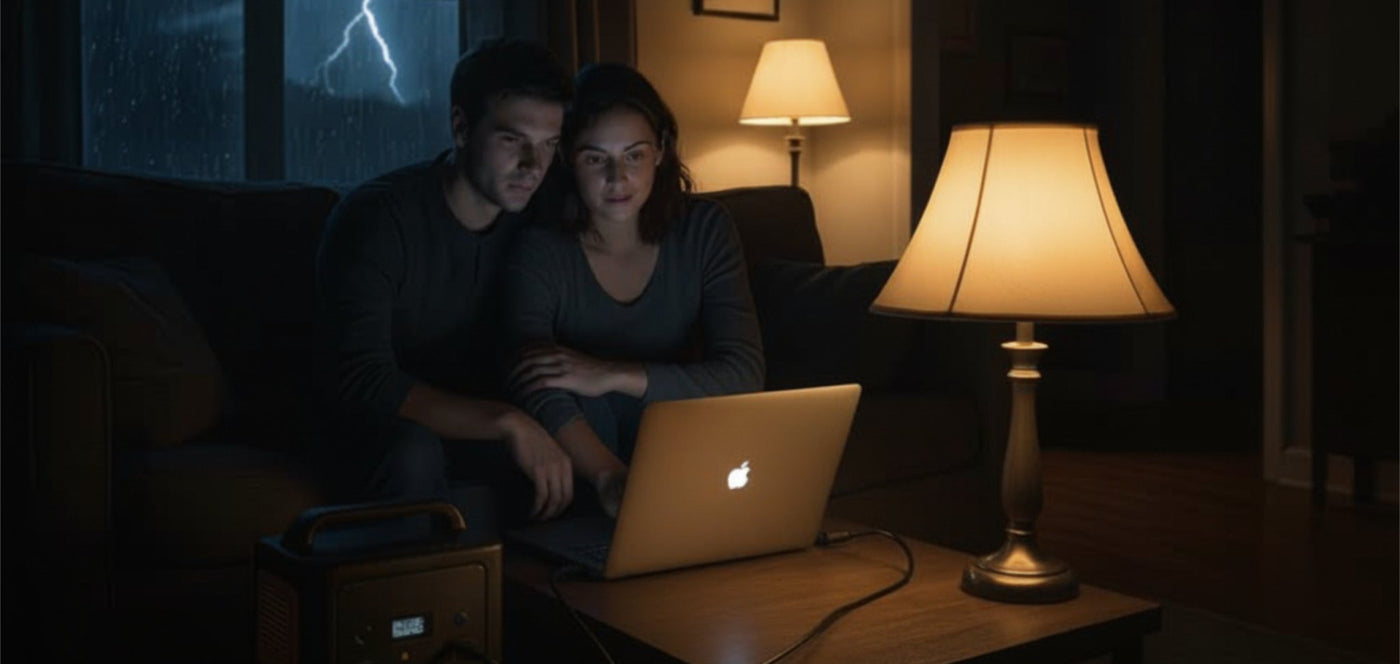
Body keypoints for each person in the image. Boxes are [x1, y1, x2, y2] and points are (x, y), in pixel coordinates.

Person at [313, 38, 576, 526]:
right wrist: (507, 422)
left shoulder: (543, 217)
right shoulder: (378, 219)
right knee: (411, 451)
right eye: (512, 140)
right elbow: (361, 380)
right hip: (381, 430)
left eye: (549, 145)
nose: (533, 167)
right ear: (461, 128)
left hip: (481, 427)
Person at [503, 63, 765, 517]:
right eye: (595, 158)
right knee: (586, 398)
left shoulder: (705, 229)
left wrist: (612, 372)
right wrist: (610, 476)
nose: (617, 178)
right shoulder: (541, 247)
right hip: (584, 444)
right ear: (567, 157)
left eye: (634, 155)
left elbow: (744, 372)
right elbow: (533, 380)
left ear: (661, 150)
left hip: (677, 433)